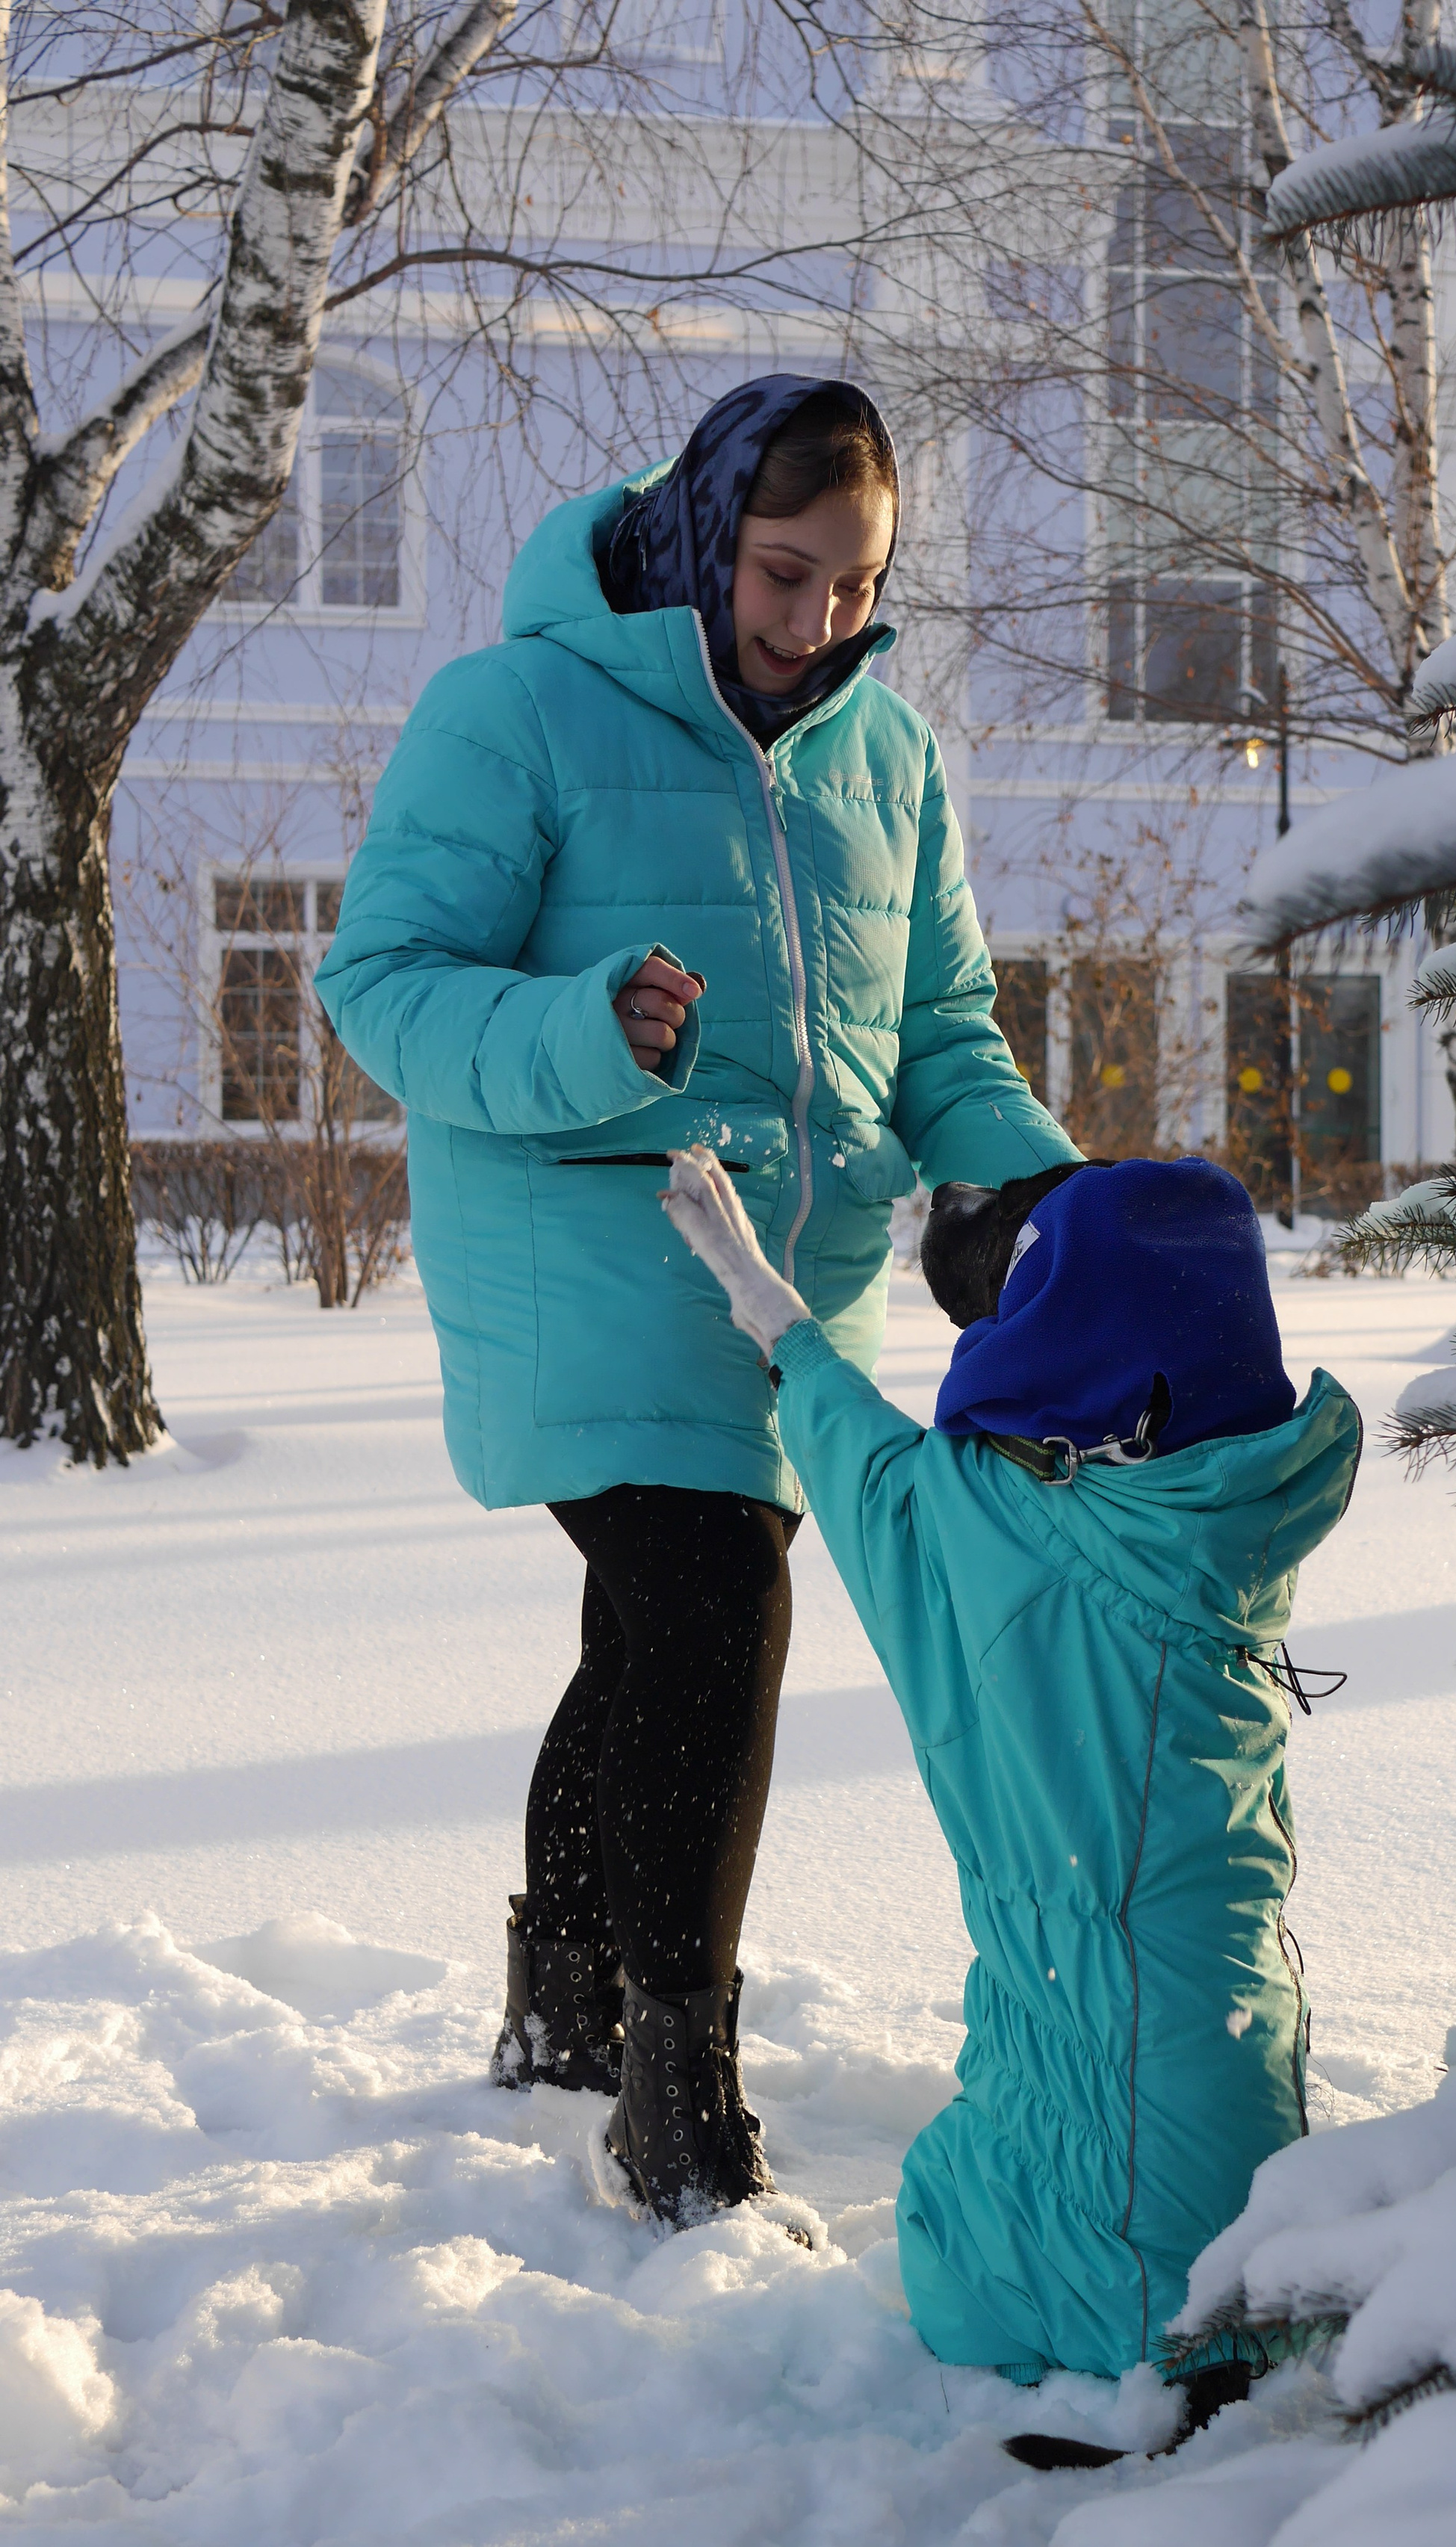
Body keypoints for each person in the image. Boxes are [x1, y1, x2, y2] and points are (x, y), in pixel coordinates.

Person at [314, 376, 1078, 2222]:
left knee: (652, 1632)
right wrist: (585, 1028)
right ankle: (674, 2097)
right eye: (781, 571)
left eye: (854, 582)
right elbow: (380, 984)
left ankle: (562, 2001)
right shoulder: (517, 709)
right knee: (709, 1597)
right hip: (581, 1240)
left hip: (784, 1287)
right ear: (696, 532)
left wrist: (1016, 1180)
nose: (816, 622)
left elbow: (940, 1029)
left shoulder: (883, 755)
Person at [660, 1143, 1361, 2406]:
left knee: (967, 2260)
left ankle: (1144, 2352)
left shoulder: (993, 1525)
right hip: (1230, 2085)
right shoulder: (1228, 1505)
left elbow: (865, 1467)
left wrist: (764, 1299)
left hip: (1127, 2156)